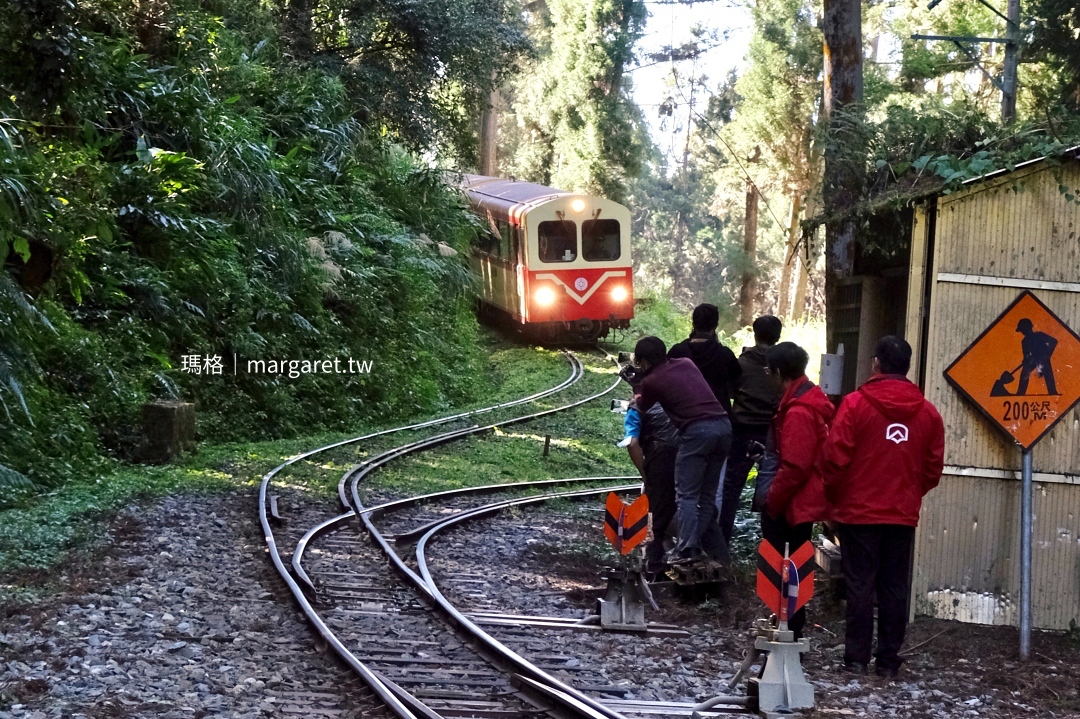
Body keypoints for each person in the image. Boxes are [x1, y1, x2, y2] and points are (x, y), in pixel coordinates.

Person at [821, 336, 944, 678]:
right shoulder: (928, 412)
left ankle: (856, 660)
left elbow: (834, 458)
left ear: (876, 363)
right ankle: (888, 661)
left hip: (859, 511)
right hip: (901, 513)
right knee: (893, 586)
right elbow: (933, 467)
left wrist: (836, 498)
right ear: (906, 368)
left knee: (860, 585)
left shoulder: (855, 404)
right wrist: (909, 493)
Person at [634, 336, 732, 564]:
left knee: (686, 495)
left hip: (697, 432)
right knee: (706, 496)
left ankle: (686, 549)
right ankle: (694, 544)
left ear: (644, 362)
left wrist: (638, 385)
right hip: (724, 427)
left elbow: (642, 405)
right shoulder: (686, 362)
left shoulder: (651, 381)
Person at [761, 342, 834, 640]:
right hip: (803, 498)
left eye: (769, 371)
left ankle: (790, 625)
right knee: (795, 562)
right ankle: (788, 621)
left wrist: (772, 502)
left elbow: (795, 466)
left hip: (795, 501)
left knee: (787, 564)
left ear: (779, 372)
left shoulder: (799, 411)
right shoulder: (807, 399)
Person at [719, 315, 784, 542]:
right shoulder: (783, 369)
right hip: (773, 433)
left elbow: (729, 393)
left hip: (743, 431)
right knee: (774, 488)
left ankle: (722, 543)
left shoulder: (741, 364)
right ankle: (773, 546)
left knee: (731, 490)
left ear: (754, 335)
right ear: (778, 336)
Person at [620, 396, 679, 576]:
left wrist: (645, 474)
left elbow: (632, 443)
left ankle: (655, 566)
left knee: (658, 517)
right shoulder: (676, 401)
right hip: (690, 455)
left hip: (660, 457)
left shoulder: (636, 408)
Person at [668, 304, 743, 412]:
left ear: (693, 323)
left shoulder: (677, 352)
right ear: (715, 326)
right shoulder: (725, 354)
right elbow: (737, 382)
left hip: (685, 415)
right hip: (719, 415)